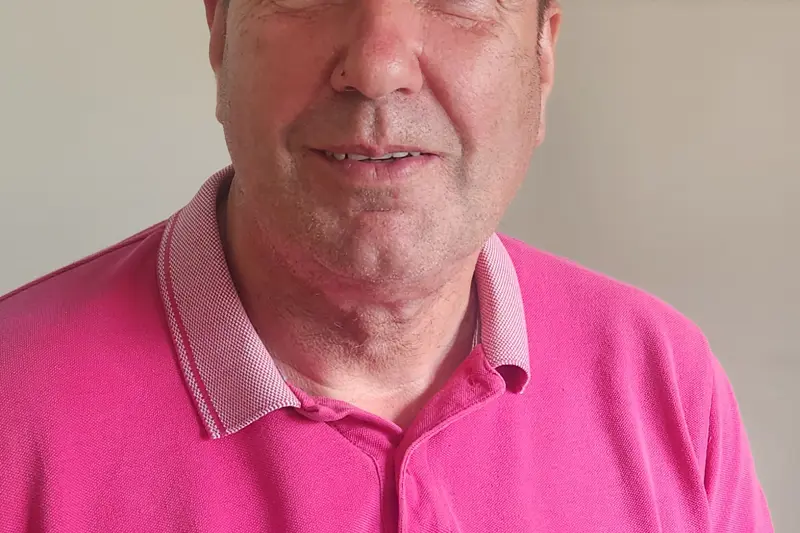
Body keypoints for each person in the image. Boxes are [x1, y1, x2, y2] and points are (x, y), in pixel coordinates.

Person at [0, 0, 773, 530]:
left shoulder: (667, 384)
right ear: (220, 33)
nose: (376, 65)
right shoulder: (14, 406)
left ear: (543, 56)